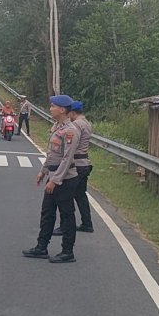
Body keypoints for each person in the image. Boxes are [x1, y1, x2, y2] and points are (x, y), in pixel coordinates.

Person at [22, 95, 81, 263]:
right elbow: (51, 154)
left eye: (53, 106)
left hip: (66, 179)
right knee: (47, 213)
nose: (50, 108)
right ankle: (42, 247)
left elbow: (67, 158)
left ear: (62, 110)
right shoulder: (57, 127)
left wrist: (55, 180)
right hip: (53, 175)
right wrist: (43, 171)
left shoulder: (70, 131)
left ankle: (67, 251)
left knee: (66, 215)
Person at [53, 100, 94, 235]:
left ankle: (65, 226)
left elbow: (70, 145)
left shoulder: (75, 125)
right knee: (81, 195)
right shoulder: (87, 123)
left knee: (66, 196)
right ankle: (87, 223)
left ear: (72, 113)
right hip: (85, 162)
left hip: (76, 163)